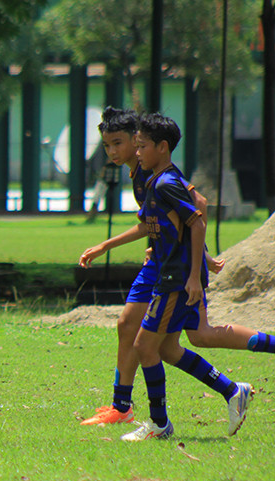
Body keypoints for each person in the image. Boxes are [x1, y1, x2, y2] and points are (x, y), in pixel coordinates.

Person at [79, 109, 275, 427]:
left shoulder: (150, 172)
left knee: (158, 336)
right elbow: (163, 221)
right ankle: (129, 404)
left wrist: (198, 258)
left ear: (139, 141)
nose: (114, 151)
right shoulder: (141, 171)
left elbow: (196, 207)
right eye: (107, 145)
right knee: (179, 338)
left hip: (170, 268)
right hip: (165, 261)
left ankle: (139, 415)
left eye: (120, 143)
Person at [110, 113, 265, 441]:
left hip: (176, 280)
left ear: (162, 147)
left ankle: (160, 425)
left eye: (142, 146)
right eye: (135, 146)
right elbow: (178, 227)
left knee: (144, 346)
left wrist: (195, 274)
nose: (137, 153)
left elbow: (196, 221)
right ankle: (231, 390)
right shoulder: (155, 180)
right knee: (167, 349)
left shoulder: (166, 183)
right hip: (170, 276)